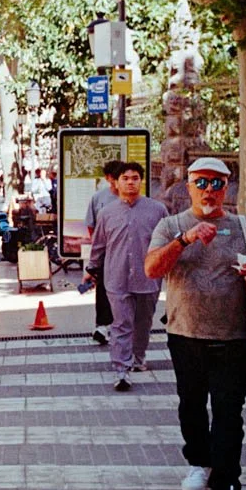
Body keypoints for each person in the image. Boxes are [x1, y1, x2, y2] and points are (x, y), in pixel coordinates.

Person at [144, 157, 246, 490]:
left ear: (227, 189)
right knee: (191, 405)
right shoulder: (171, 225)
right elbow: (151, 268)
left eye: (217, 184)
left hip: (234, 338)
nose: (209, 191)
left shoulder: (244, 228)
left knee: (229, 413)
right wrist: (184, 240)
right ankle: (198, 462)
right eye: (201, 183)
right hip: (185, 334)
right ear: (188, 186)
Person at [86, 161, 167, 392]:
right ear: (116, 182)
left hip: (148, 278)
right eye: (125, 178)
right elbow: (99, 245)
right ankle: (121, 370)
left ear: (141, 181)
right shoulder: (106, 213)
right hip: (116, 278)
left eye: (135, 178)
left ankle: (138, 358)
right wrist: (91, 269)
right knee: (121, 324)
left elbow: (168, 243)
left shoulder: (157, 210)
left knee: (143, 323)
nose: (130, 182)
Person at [86, 159, 124, 345]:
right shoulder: (99, 198)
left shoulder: (132, 198)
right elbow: (91, 226)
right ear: (109, 178)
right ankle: (102, 325)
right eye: (117, 178)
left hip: (126, 253)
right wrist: (97, 250)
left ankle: (122, 325)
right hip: (106, 253)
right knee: (103, 288)